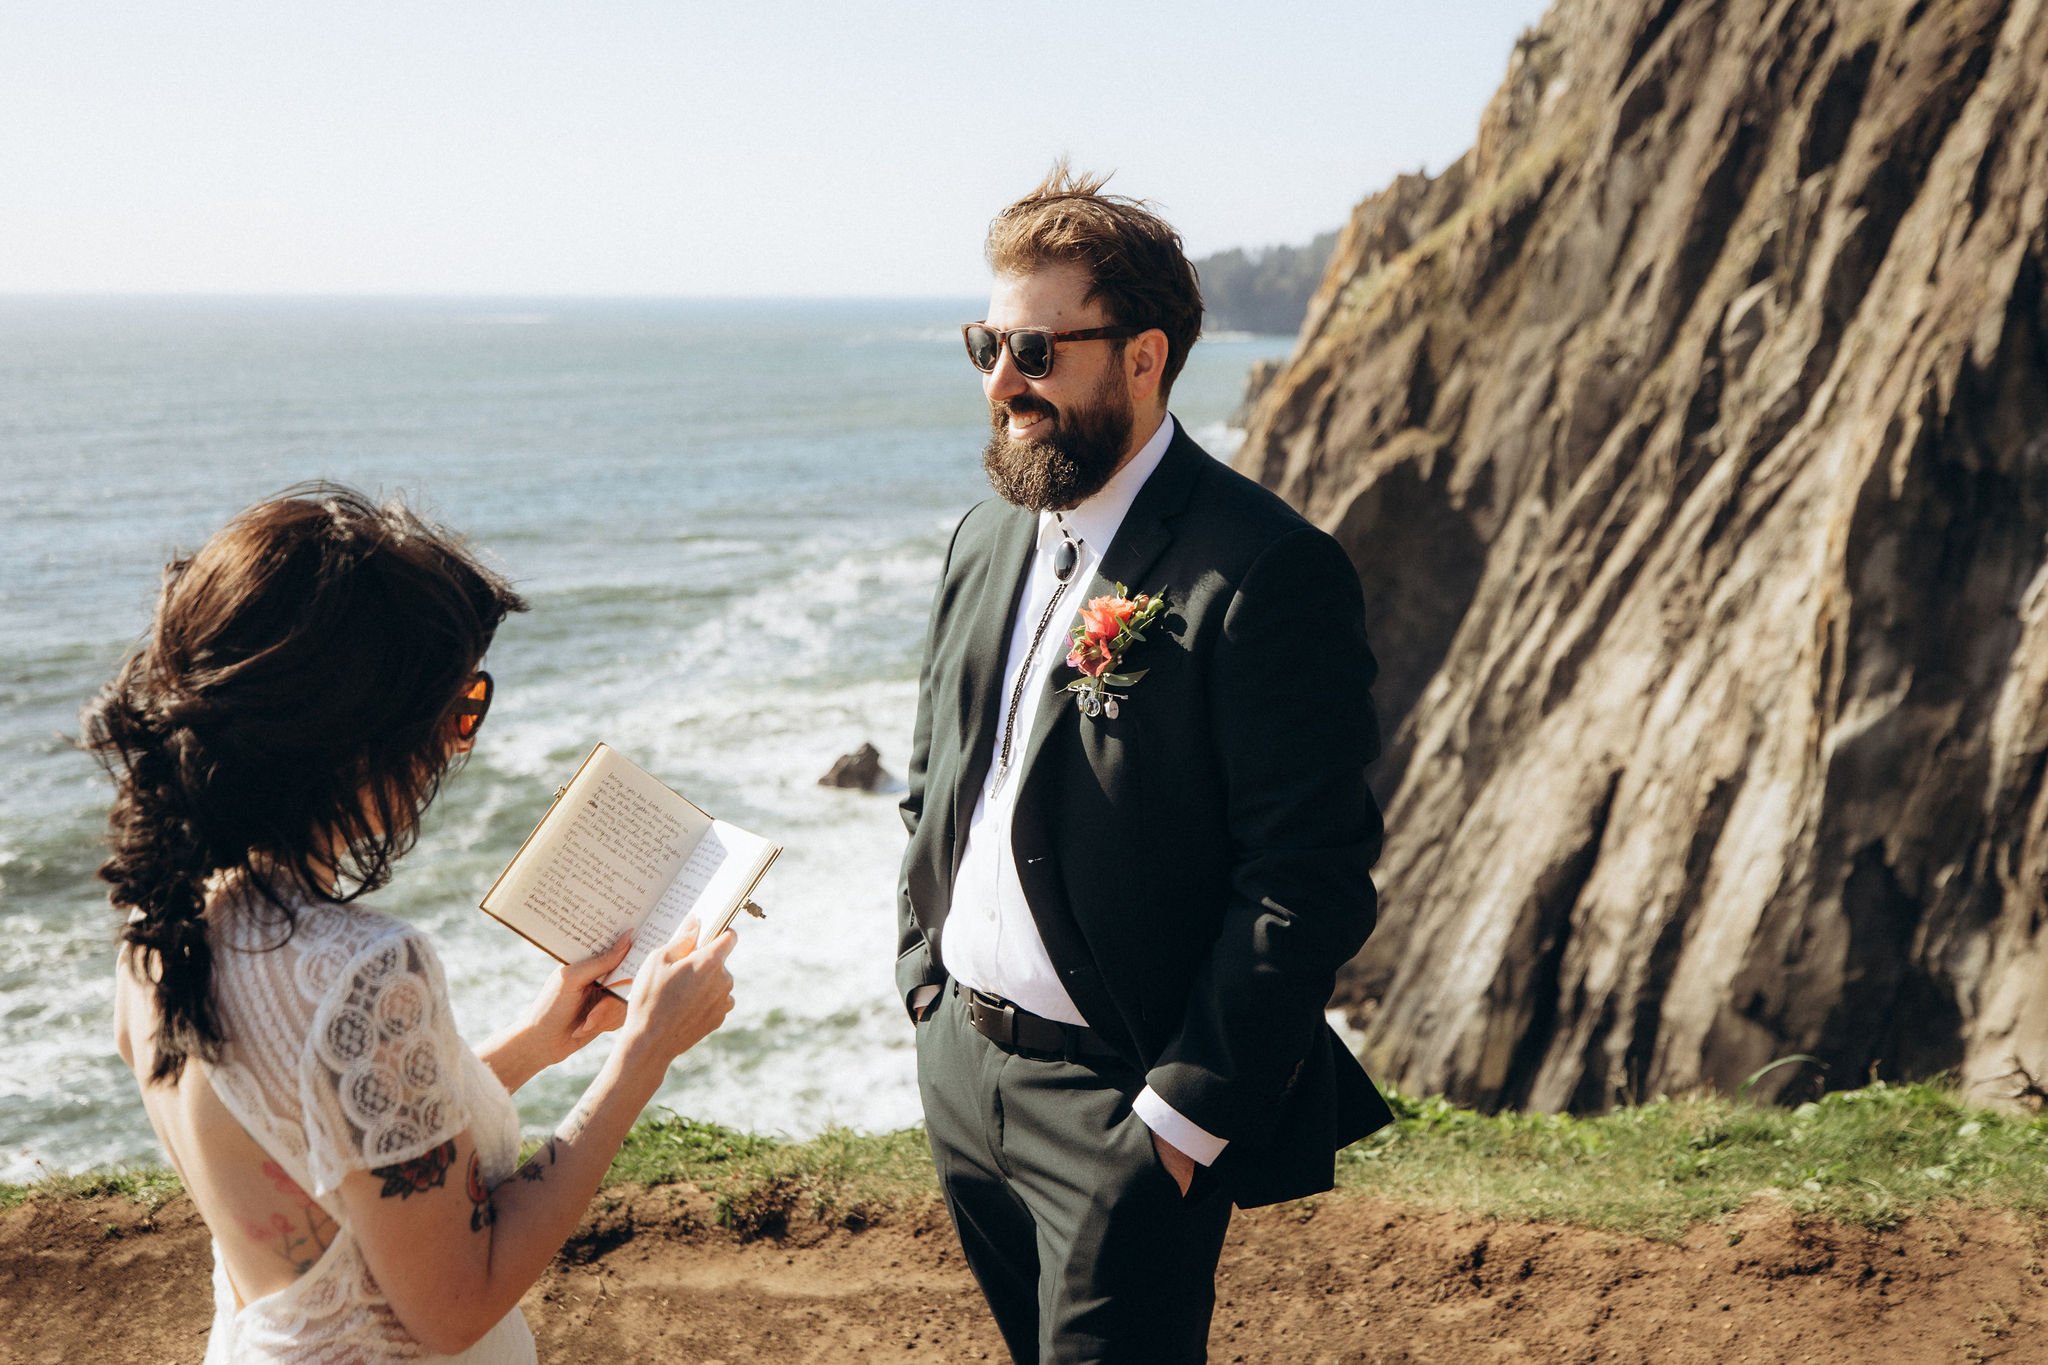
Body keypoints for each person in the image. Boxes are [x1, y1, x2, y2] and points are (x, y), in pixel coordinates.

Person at [897, 166, 1395, 1362]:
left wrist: (1175, 1123)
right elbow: (942, 769)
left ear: (1141, 356)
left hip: (1118, 1104)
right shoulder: (984, 536)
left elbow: (1307, 876)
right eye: (984, 345)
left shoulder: (1265, 569)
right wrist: (924, 985)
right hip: (962, 1069)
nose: (1000, 384)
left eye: (1032, 348)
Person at [86, 485, 738, 1363]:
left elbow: (332, 1147)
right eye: (455, 707)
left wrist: (543, 1041)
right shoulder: (361, 968)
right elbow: (456, 1301)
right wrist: (640, 1060)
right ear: (360, 732)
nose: (456, 742)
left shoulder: (160, 924)